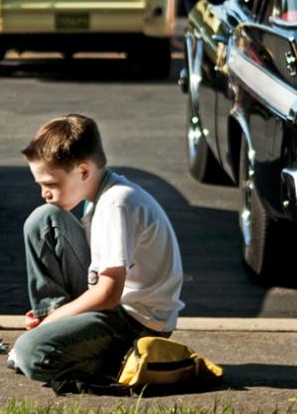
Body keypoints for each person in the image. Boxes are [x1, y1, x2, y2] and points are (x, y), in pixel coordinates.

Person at [12, 114, 184, 383]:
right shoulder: (99, 194)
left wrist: (50, 324)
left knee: (30, 353)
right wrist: (54, 319)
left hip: (137, 324)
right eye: (41, 185)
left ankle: (118, 359)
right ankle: (60, 333)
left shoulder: (117, 203)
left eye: (51, 184)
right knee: (43, 220)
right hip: (115, 308)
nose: (44, 193)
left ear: (83, 171)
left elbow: (109, 293)